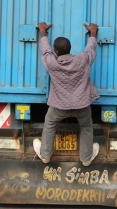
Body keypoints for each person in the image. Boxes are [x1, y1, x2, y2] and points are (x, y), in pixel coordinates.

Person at [33, 22, 100, 167]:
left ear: (56, 51)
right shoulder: (82, 59)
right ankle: (86, 158)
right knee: (86, 126)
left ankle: (45, 155)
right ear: (71, 49)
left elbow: (45, 51)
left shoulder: (52, 63)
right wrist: (93, 33)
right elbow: (91, 48)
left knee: (50, 123)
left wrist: (43, 33)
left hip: (59, 106)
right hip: (82, 104)